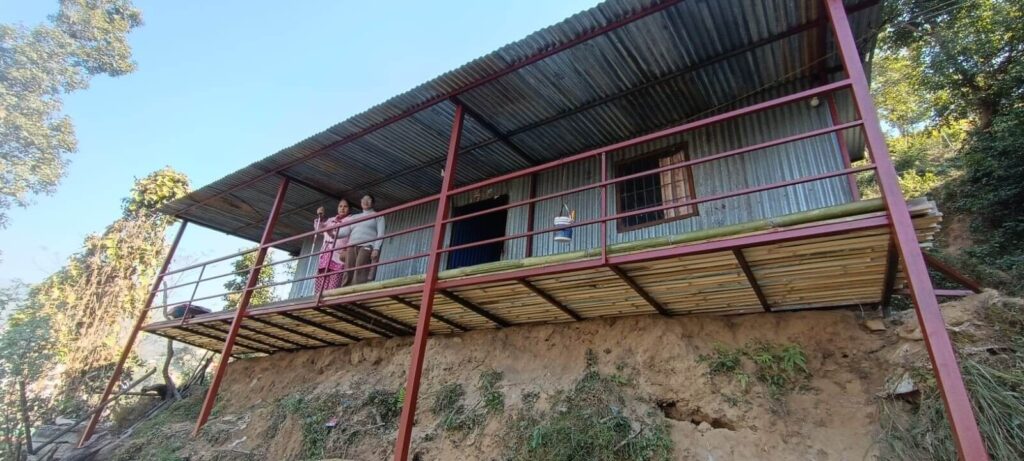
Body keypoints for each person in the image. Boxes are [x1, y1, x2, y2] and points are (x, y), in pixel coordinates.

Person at [342, 194, 385, 286]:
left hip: (367, 245)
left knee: (360, 268)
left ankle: (356, 293)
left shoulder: (378, 216)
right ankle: (344, 292)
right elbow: (344, 232)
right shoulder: (354, 217)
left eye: (368, 199)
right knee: (348, 269)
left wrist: (376, 249)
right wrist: (331, 233)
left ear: (372, 203)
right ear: (361, 202)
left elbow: (381, 234)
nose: (366, 201)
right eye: (363, 199)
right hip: (352, 245)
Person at [313, 199, 352, 293]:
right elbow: (319, 229)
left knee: (335, 279)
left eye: (345, 206)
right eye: (340, 206)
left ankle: (330, 299)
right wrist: (320, 217)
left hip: (339, 253)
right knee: (322, 276)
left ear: (349, 209)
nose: (342, 208)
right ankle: (319, 297)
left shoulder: (351, 220)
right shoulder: (330, 220)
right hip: (326, 252)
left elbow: (352, 236)